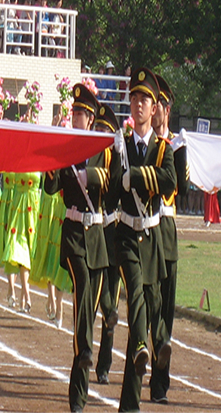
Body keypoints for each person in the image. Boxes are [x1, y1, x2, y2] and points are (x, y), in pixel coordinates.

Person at [44, 85, 119, 413]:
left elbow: (114, 186)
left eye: (81, 114)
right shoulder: (64, 148)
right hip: (73, 233)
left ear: (91, 120)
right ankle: (86, 349)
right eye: (73, 113)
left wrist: (90, 174)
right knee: (84, 291)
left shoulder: (104, 150)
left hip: (98, 238)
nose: (76, 118)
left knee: (88, 307)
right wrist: (49, 162)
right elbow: (50, 188)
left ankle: (79, 394)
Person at [112, 68, 176, 412]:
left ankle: (130, 403)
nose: (138, 104)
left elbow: (169, 180)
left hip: (152, 236)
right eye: (134, 98)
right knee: (135, 294)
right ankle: (143, 345)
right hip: (126, 234)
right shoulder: (119, 143)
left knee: (152, 305)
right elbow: (111, 184)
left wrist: (133, 176)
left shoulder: (163, 148)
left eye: (145, 100)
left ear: (155, 109)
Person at [148, 75, 188, 404]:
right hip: (146, 228)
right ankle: (154, 352)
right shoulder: (145, 145)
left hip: (168, 229)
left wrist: (181, 155)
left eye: (160, 104)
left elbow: (183, 192)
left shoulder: (176, 145)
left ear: (167, 109)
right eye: (153, 104)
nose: (156, 109)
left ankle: (161, 382)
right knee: (152, 304)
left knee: (168, 308)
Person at [93, 105, 121, 385]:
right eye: (97, 129)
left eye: (105, 130)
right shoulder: (89, 154)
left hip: (112, 233)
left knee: (110, 301)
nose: (100, 134)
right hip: (93, 233)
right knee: (100, 300)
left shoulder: (115, 157)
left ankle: (104, 364)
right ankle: (88, 355)